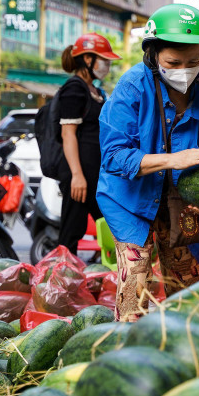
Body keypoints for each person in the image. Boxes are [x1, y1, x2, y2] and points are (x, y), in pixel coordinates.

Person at [97, 4, 199, 322]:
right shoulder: (131, 87)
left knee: (187, 288)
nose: (184, 70)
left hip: (186, 204)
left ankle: (186, 353)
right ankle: (129, 355)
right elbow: (114, 156)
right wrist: (173, 160)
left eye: (194, 61)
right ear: (152, 54)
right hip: (130, 200)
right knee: (135, 286)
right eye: (173, 62)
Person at [57, 33, 121, 255]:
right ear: (87, 60)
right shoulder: (74, 88)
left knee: (113, 228)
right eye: (104, 60)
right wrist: (77, 175)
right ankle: (61, 284)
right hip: (80, 176)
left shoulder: (94, 90)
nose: (107, 65)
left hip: (97, 176)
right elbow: (68, 134)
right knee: (71, 233)